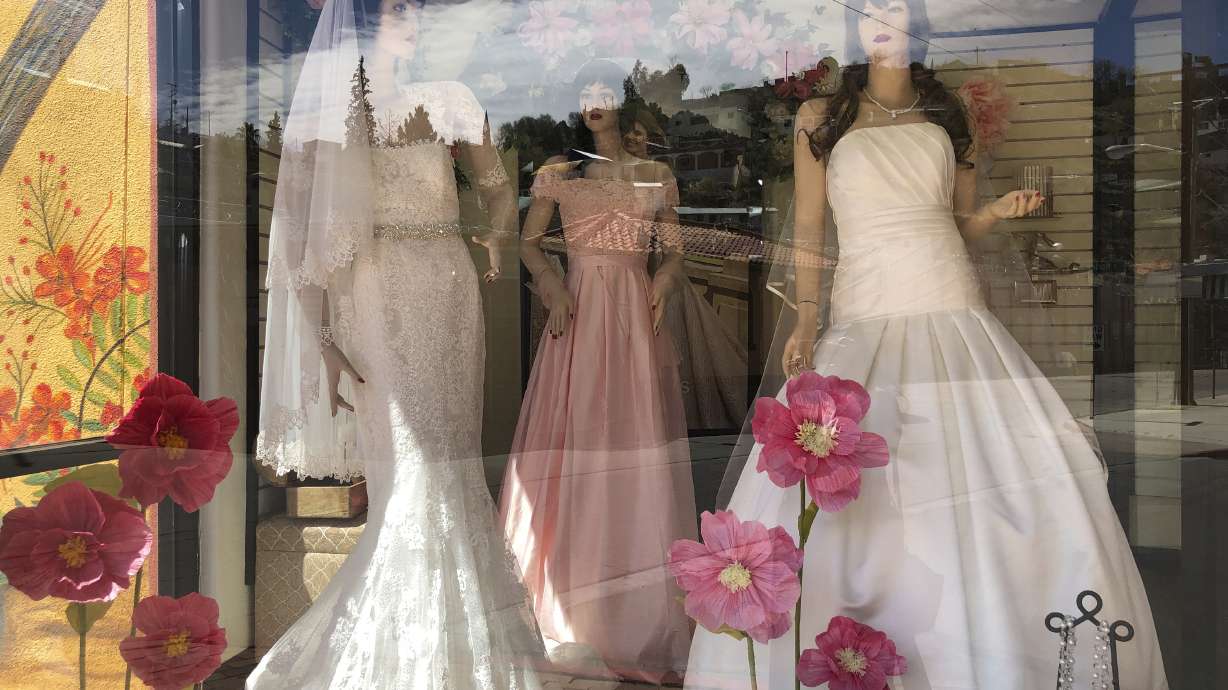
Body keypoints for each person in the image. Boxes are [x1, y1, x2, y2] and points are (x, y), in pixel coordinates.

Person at [683, 0, 1169, 688]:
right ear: (855, 27)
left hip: (947, 293)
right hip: (865, 304)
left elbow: (958, 220)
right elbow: (814, 230)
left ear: (920, 25)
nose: (883, 16)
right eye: (870, 8)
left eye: (899, 6)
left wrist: (995, 213)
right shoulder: (823, 118)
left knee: (980, 463)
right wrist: (806, 320)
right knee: (851, 465)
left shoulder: (948, 113)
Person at [249, 1, 541, 687]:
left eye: (414, 9)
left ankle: (457, 648)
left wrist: (497, 235)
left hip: (448, 284)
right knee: (411, 469)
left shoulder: (452, 100)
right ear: (361, 21)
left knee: (451, 456)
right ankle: (404, 656)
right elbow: (299, 228)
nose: (408, 18)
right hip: (374, 293)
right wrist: (322, 342)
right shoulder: (333, 107)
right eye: (391, 9)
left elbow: (500, 191)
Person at [499, 59, 696, 683]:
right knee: (579, 442)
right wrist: (554, 287)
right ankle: (570, 592)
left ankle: (637, 611)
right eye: (584, 93)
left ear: (622, 100)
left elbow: (675, 251)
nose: (594, 102)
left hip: (635, 318)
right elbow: (529, 243)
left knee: (633, 443)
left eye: (604, 92)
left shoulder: (655, 175)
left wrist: (662, 279)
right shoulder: (560, 176)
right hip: (580, 315)